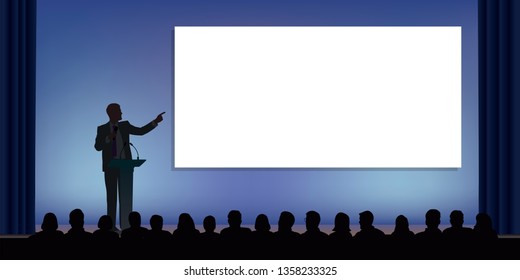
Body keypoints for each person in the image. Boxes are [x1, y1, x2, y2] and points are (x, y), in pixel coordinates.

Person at [94, 103, 165, 231]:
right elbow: (97, 147)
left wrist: (155, 122)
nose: (122, 113)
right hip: (110, 168)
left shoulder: (125, 126)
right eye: (119, 111)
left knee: (124, 199)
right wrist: (107, 139)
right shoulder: (102, 129)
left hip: (125, 167)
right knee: (111, 198)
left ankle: (126, 226)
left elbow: (141, 131)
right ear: (112, 113)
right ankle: (110, 227)